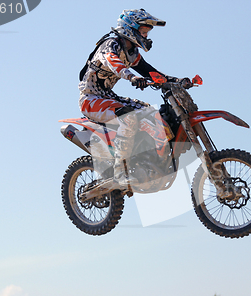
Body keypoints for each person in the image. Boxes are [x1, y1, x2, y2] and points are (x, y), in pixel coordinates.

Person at [78, 8, 191, 188]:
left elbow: (150, 72)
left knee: (151, 113)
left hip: (108, 96)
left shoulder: (132, 53)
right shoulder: (110, 44)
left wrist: (177, 81)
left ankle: (143, 159)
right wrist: (132, 77)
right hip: (91, 99)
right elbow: (113, 62)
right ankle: (119, 172)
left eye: (147, 32)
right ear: (130, 28)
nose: (146, 36)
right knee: (129, 117)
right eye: (143, 31)